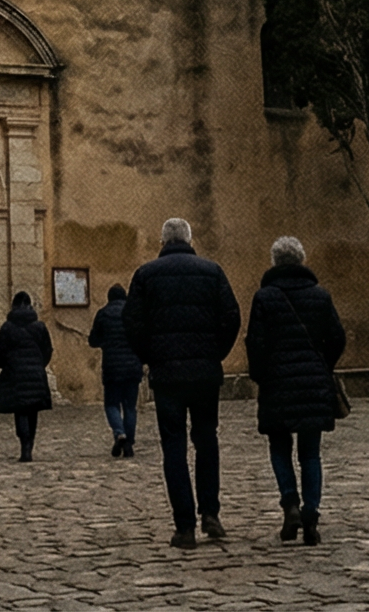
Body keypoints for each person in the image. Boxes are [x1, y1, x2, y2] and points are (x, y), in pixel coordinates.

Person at [120, 217, 240, 548]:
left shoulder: (145, 275)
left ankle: (184, 526)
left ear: (162, 242)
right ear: (190, 239)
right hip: (204, 373)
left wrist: (150, 356)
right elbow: (231, 316)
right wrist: (215, 353)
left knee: (173, 446)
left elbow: (131, 322)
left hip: (168, 374)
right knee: (206, 440)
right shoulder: (212, 271)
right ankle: (211, 512)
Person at [245, 234, 345, 545]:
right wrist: (322, 367)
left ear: (274, 262)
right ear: (302, 260)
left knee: (279, 447)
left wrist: (261, 375)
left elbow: (255, 343)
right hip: (313, 383)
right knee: (310, 453)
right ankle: (311, 511)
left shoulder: (265, 298)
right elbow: (337, 337)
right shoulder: (320, 295)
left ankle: (289, 503)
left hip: (277, 384)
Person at [0, 290, 53, 462]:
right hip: (35, 372)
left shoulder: (7, 328)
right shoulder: (40, 327)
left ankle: (24, 444)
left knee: (20, 410)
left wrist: (5, 366)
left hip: (14, 373)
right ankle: (29, 445)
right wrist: (40, 365)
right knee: (32, 410)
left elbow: (1, 351)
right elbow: (47, 350)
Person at [86, 282, 142, 456]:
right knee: (130, 407)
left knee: (111, 404)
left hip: (112, 367)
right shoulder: (134, 313)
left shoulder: (103, 314)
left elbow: (93, 340)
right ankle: (129, 443)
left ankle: (119, 433)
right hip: (133, 366)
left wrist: (104, 342)